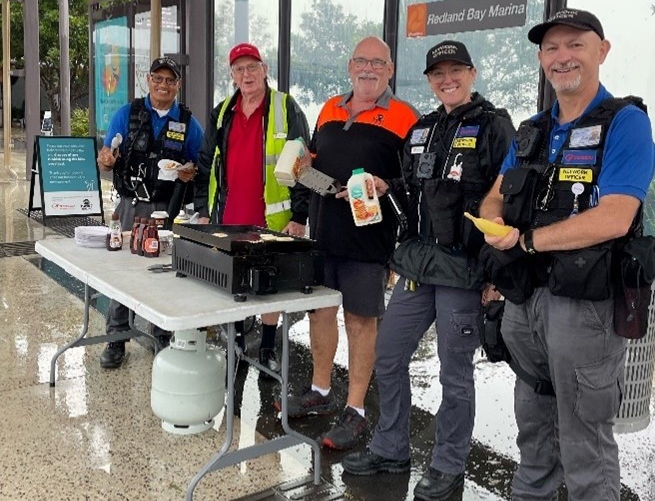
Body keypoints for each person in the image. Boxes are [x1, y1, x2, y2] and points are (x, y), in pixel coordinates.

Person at [477, 9, 655, 501]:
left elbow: (615, 217)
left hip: (586, 308)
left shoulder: (626, 124)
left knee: (584, 437)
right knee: (532, 423)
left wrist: (529, 240)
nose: (563, 57)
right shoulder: (532, 129)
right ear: (540, 59)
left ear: (602, 50)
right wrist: (494, 224)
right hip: (524, 301)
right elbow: (495, 195)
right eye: (552, 48)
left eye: (575, 44)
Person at [342, 40, 514, 501]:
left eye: (455, 70)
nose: (447, 79)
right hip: (418, 263)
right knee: (389, 355)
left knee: (454, 374)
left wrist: (496, 275)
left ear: (472, 74)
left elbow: (509, 199)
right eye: (438, 73)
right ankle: (391, 447)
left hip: (465, 270)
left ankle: (448, 465)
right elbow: (414, 185)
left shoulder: (494, 127)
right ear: (429, 80)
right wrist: (384, 184)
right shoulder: (423, 128)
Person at [279, 36, 419, 451]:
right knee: (322, 312)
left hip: (369, 240)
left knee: (360, 321)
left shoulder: (406, 117)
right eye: (361, 61)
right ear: (349, 65)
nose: (369, 69)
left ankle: (355, 409)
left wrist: (386, 184)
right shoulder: (329, 109)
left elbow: (413, 182)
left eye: (378, 63)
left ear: (390, 70)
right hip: (325, 234)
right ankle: (321, 390)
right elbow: (315, 163)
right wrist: (303, 173)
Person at [193, 42, 310, 376]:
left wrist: (300, 216)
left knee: (269, 288)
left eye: (252, 67)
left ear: (265, 69)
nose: (247, 75)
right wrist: (202, 210)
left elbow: (305, 161)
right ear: (232, 75)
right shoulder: (222, 112)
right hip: (229, 217)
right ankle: (240, 344)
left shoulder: (285, 107)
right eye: (239, 69)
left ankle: (269, 347)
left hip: (273, 218)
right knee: (236, 285)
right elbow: (205, 165)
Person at [97, 56, 204, 368]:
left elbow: (199, 164)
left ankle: (162, 336)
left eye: (170, 80)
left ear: (178, 85)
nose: (163, 85)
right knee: (123, 272)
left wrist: (190, 171)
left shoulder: (187, 122)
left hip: (168, 210)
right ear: (148, 80)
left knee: (165, 274)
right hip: (131, 205)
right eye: (158, 78)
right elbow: (109, 152)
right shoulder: (127, 113)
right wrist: (107, 159)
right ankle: (116, 338)